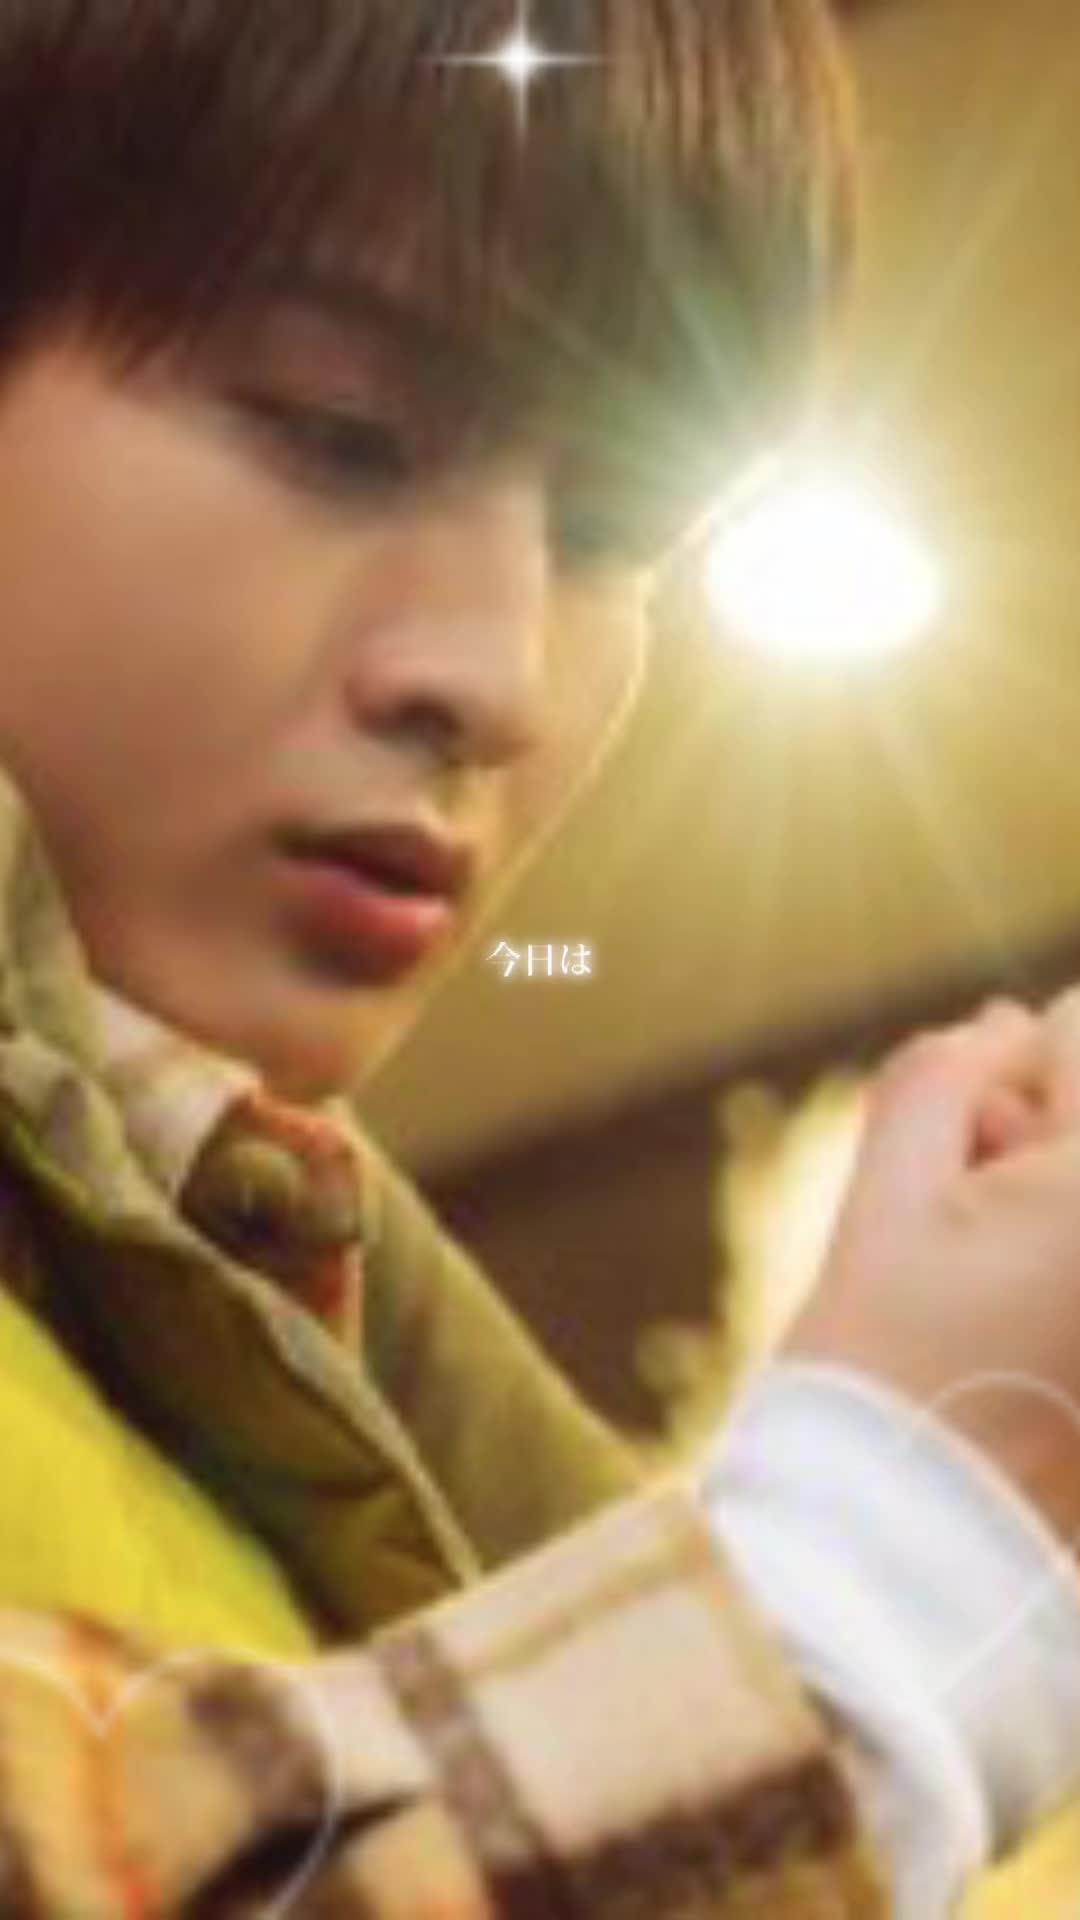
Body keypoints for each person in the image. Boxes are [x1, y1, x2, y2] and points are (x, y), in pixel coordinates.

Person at [0, 0, 1077, 1912]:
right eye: (338, 429)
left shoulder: (328, 1380)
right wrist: (880, 1570)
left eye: (620, 533)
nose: (498, 675)